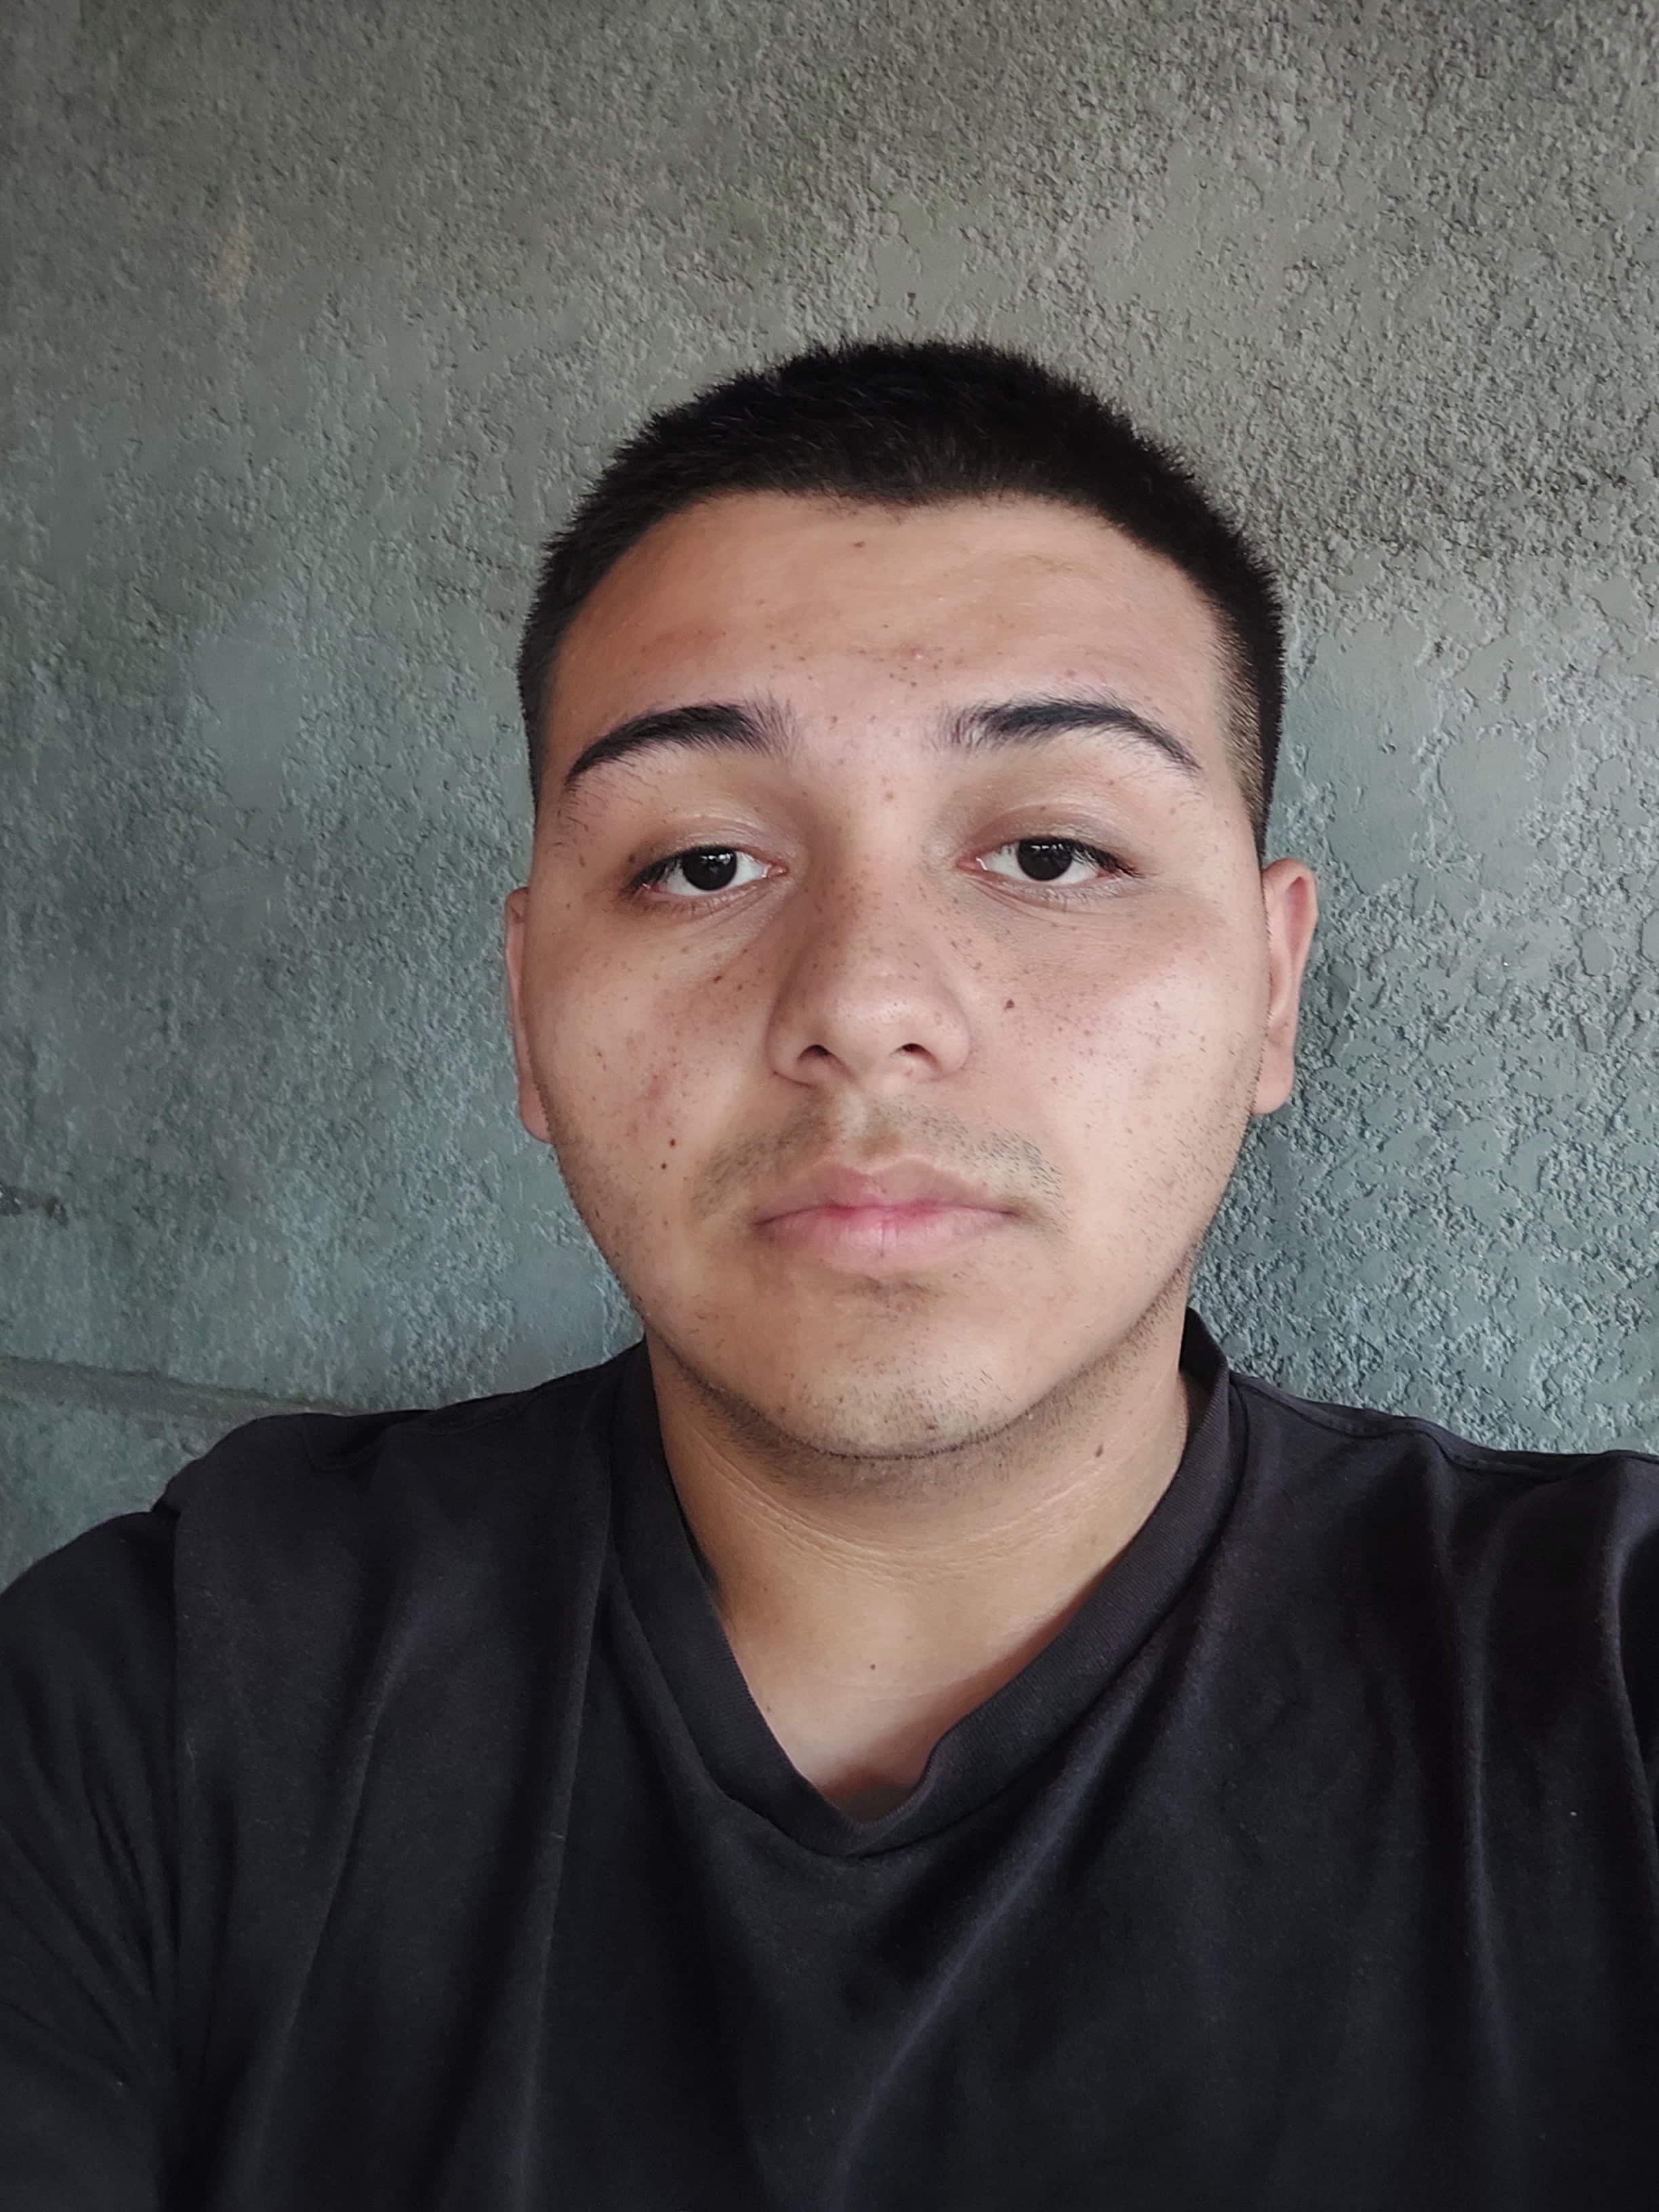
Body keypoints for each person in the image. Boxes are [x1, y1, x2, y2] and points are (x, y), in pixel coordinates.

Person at [1, 337, 1655, 2212]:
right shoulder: (161, 1709)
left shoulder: (1604, 1693)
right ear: (526, 1011)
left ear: (1273, 991)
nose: (865, 1005)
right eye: (704, 865)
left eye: (1052, 852)